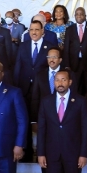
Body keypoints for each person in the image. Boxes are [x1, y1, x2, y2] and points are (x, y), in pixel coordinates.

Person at [30, 47, 71, 173]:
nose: (52, 60)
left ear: (60, 59)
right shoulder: (40, 74)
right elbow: (34, 98)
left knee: (63, 155)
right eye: (49, 57)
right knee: (45, 154)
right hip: (45, 122)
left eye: (55, 57)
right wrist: (34, 120)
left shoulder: (67, 75)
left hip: (63, 122)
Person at [14, 20, 56, 161]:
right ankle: (27, 151)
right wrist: (16, 86)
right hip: (24, 89)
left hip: (42, 91)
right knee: (24, 120)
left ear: (42, 31)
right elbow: (18, 66)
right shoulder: (23, 46)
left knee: (43, 121)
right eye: (31, 29)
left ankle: (43, 151)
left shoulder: (49, 47)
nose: (34, 32)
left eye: (37, 29)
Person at [63, 7, 87, 96]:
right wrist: (67, 65)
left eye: (81, 14)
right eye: (77, 14)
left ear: (85, 15)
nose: (79, 16)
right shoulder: (70, 29)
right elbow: (66, 48)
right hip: (74, 64)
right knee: (76, 88)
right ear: (74, 16)